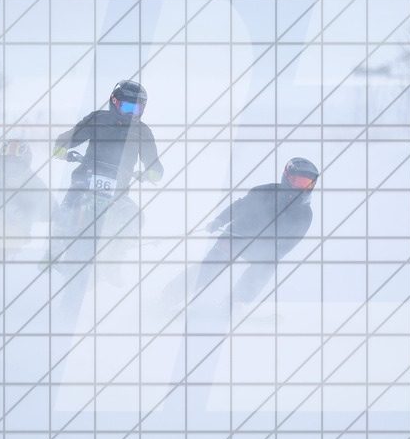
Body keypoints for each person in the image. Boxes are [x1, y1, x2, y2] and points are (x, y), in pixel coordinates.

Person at [194, 158, 319, 306]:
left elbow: (289, 244)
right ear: (287, 177)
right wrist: (220, 220)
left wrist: (271, 254)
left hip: (262, 249)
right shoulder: (266, 191)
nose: (302, 188)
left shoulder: (304, 214)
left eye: (307, 184)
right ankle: (172, 295)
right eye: (299, 182)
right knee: (213, 264)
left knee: (268, 264)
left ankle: (235, 302)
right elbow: (240, 206)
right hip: (236, 236)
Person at [51, 79, 164, 211]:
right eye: (126, 107)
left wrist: (154, 172)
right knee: (65, 210)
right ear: (114, 103)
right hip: (84, 182)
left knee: (137, 217)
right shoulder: (97, 119)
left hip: (119, 192)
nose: (130, 114)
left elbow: (154, 163)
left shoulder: (143, 132)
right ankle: (59, 229)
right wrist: (61, 146)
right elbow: (72, 136)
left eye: (135, 109)